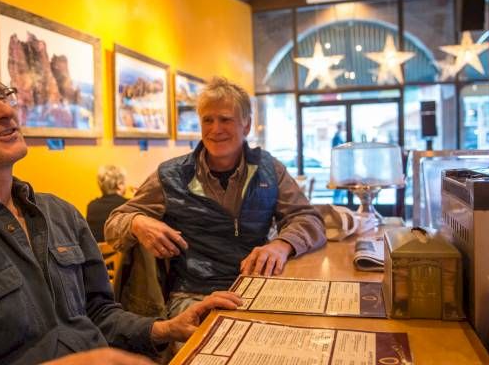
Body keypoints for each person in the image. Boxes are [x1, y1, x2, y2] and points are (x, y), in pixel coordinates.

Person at [0, 52, 242, 364]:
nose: (6, 110)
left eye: (3, 94)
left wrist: (164, 329)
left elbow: (99, 314)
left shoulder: (61, 214)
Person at [105, 76, 326, 319]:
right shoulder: (170, 175)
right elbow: (114, 224)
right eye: (207, 120)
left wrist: (281, 246)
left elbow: (308, 218)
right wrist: (137, 222)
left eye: (225, 119)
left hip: (257, 286)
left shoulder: (270, 169)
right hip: (193, 296)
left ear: (247, 125)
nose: (215, 129)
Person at [87, 165, 128, 242]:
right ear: (119, 184)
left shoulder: (91, 206)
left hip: (98, 253)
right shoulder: (127, 204)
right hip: (120, 253)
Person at [331, 121, 346, 204]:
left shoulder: (339, 136)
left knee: (341, 187)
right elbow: (336, 151)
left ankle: (339, 203)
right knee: (339, 186)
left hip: (341, 165)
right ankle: (337, 204)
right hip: (339, 165)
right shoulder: (336, 137)